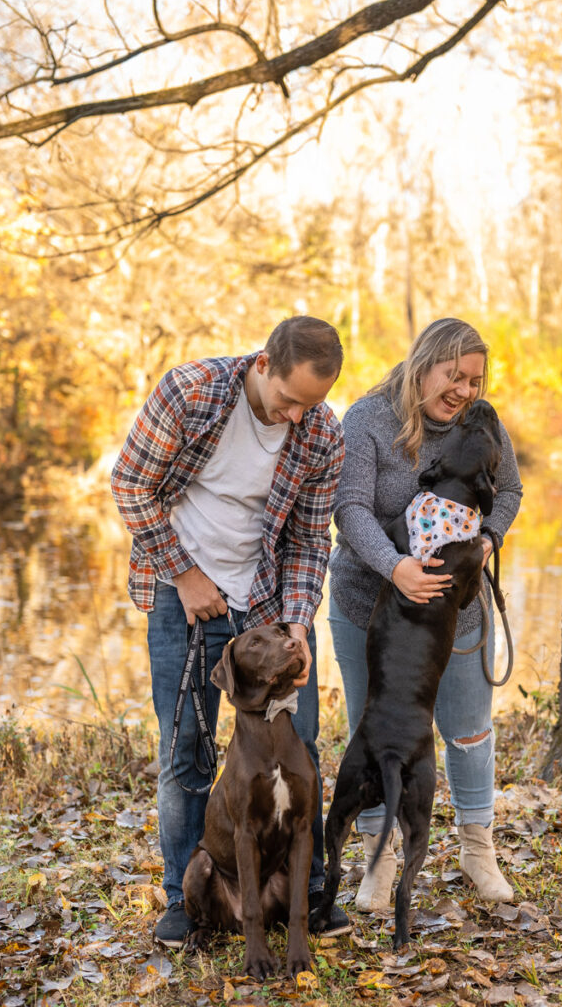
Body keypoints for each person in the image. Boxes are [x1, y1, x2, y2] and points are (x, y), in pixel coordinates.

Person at [111, 315, 351, 947]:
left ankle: (311, 892)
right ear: (264, 365)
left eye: (313, 405)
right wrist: (185, 576)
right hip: (180, 595)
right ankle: (183, 896)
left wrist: (297, 625)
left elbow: (307, 539)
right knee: (185, 750)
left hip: (267, 606)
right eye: (290, 401)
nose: (299, 417)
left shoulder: (323, 432)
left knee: (301, 743)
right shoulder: (192, 393)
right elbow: (131, 486)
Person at [328, 317, 522, 910]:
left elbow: (509, 491)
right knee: (379, 733)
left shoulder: (480, 425)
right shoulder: (368, 420)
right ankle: (378, 866)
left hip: (455, 615)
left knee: (467, 731)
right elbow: (351, 506)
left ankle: (476, 852)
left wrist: (487, 539)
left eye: (475, 380)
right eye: (454, 376)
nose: (465, 391)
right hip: (370, 607)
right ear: (424, 365)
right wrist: (395, 567)